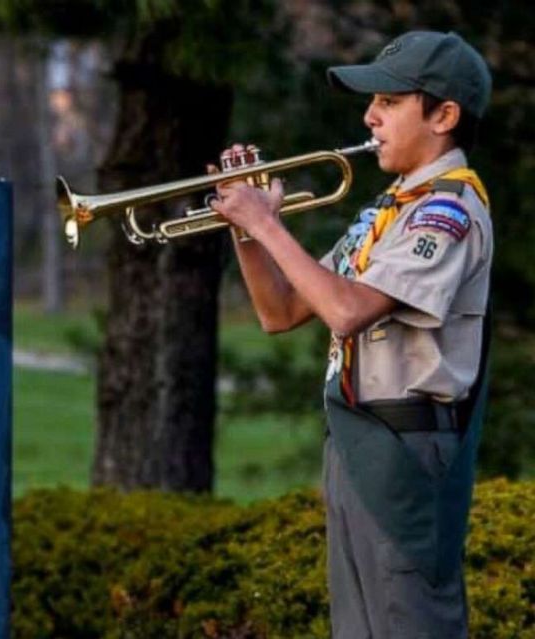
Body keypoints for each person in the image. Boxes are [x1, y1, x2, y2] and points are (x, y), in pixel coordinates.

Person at [210, 31, 492, 638]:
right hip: (359, 435)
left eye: (389, 102)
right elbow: (280, 313)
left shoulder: (448, 211)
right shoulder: (387, 212)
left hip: (408, 445)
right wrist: (246, 228)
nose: (370, 116)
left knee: (410, 623)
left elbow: (346, 311)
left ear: (444, 115)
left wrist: (268, 224)